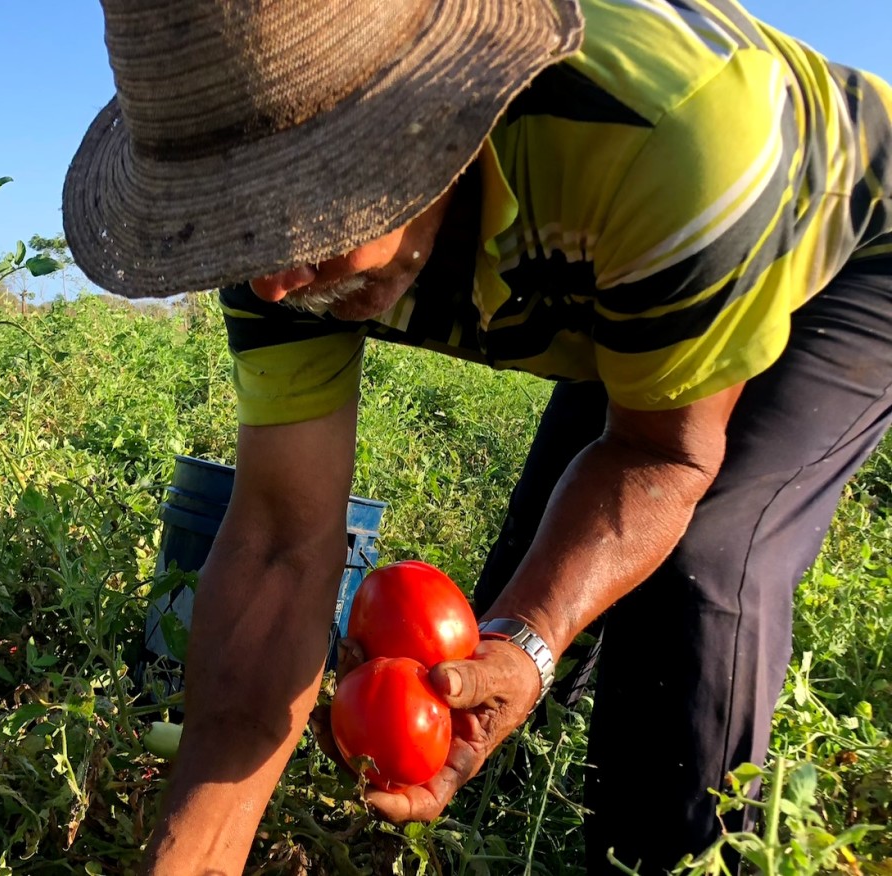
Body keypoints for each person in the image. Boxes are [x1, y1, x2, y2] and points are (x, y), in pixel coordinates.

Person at [62, 0, 892, 872]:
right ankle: (484, 828)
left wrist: (535, 637)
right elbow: (278, 543)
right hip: (633, 256)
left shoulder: (665, 138)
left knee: (703, 561)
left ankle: (679, 856)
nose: (271, 281)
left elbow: (660, 453)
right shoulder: (276, 255)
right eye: (243, 228)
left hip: (846, 243)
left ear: (419, 123)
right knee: (504, 617)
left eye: (299, 209)